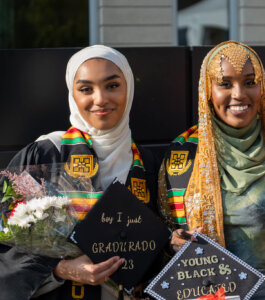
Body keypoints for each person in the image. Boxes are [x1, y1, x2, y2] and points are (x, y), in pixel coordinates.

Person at [158, 41, 265, 300]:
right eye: (225, 83)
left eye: (250, 82)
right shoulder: (183, 155)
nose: (239, 94)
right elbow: (163, 235)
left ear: (262, 87)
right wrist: (172, 241)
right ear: (207, 90)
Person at [0, 45, 161, 299]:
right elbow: (4, 248)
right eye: (86, 89)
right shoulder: (45, 155)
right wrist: (62, 269)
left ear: (128, 89)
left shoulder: (146, 164)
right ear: (72, 94)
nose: (100, 99)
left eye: (112, 86)